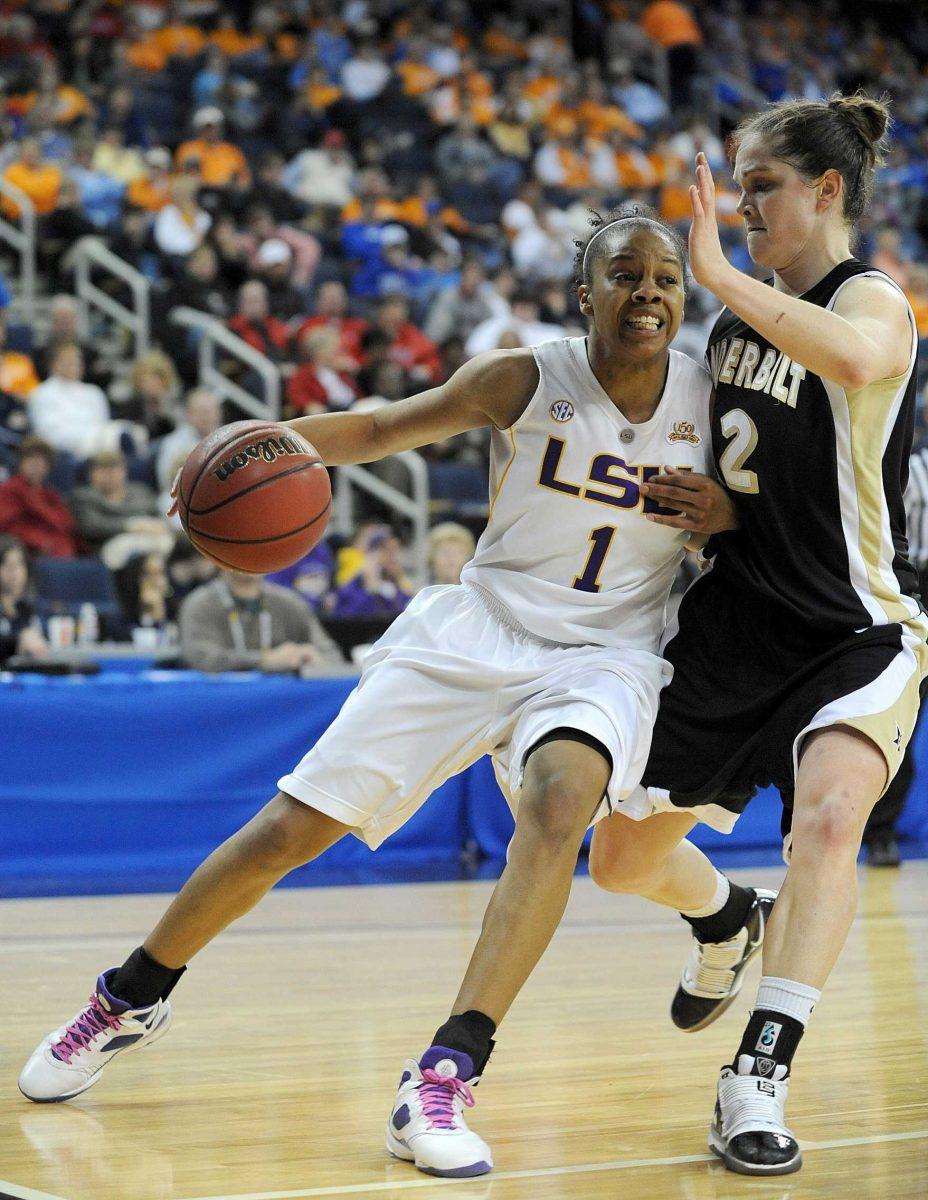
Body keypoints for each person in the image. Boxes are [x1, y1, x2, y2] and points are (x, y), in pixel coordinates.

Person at [18, 210, 738, 1180]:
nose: (648, 291)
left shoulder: (711, 399)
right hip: (477, 629)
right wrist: (248, 451)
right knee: (287, 829)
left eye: (664, 278)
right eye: (624, 274)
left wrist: (726, 510)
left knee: (561, 805)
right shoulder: (523, 377)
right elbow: (380, 428)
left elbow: (769, 518)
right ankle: (129, 996)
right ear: (586, 291)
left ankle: (445, 1074)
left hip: (605, 655)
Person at [590, 96, 924, 1176]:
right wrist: (722, 508)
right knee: (618, 861)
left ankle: (757, 1073)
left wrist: (720, 274)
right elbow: (772, 477)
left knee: (829, 823)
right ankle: (728, 916)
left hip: (850, 625)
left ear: (826, 192)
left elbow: (861, 362)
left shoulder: (871, 298)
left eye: (760, 186)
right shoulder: (734, 332)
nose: (739, 208)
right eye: (736, 188)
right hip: (735, 620)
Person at [178, 569, 342, 674]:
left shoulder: (289, 602)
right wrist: (264, 660)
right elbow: (200, 658)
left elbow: (331, 655)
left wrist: (311, 658)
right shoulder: (200, 603)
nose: (251, 554)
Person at [0, 436, 77, 557]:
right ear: (21, 462)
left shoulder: (51, 495)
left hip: (59, 552)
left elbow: (66, 525)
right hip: (27, 553)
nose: (36, 466)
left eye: (41, 462)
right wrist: (39, 542)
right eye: (31, 460)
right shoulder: (9, 490)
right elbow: (7, 526)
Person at [0, 534, 49, 667]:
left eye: (19, 564)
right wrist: (17, 641)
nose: (14, 572)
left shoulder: (28, 606)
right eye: (6, 565)